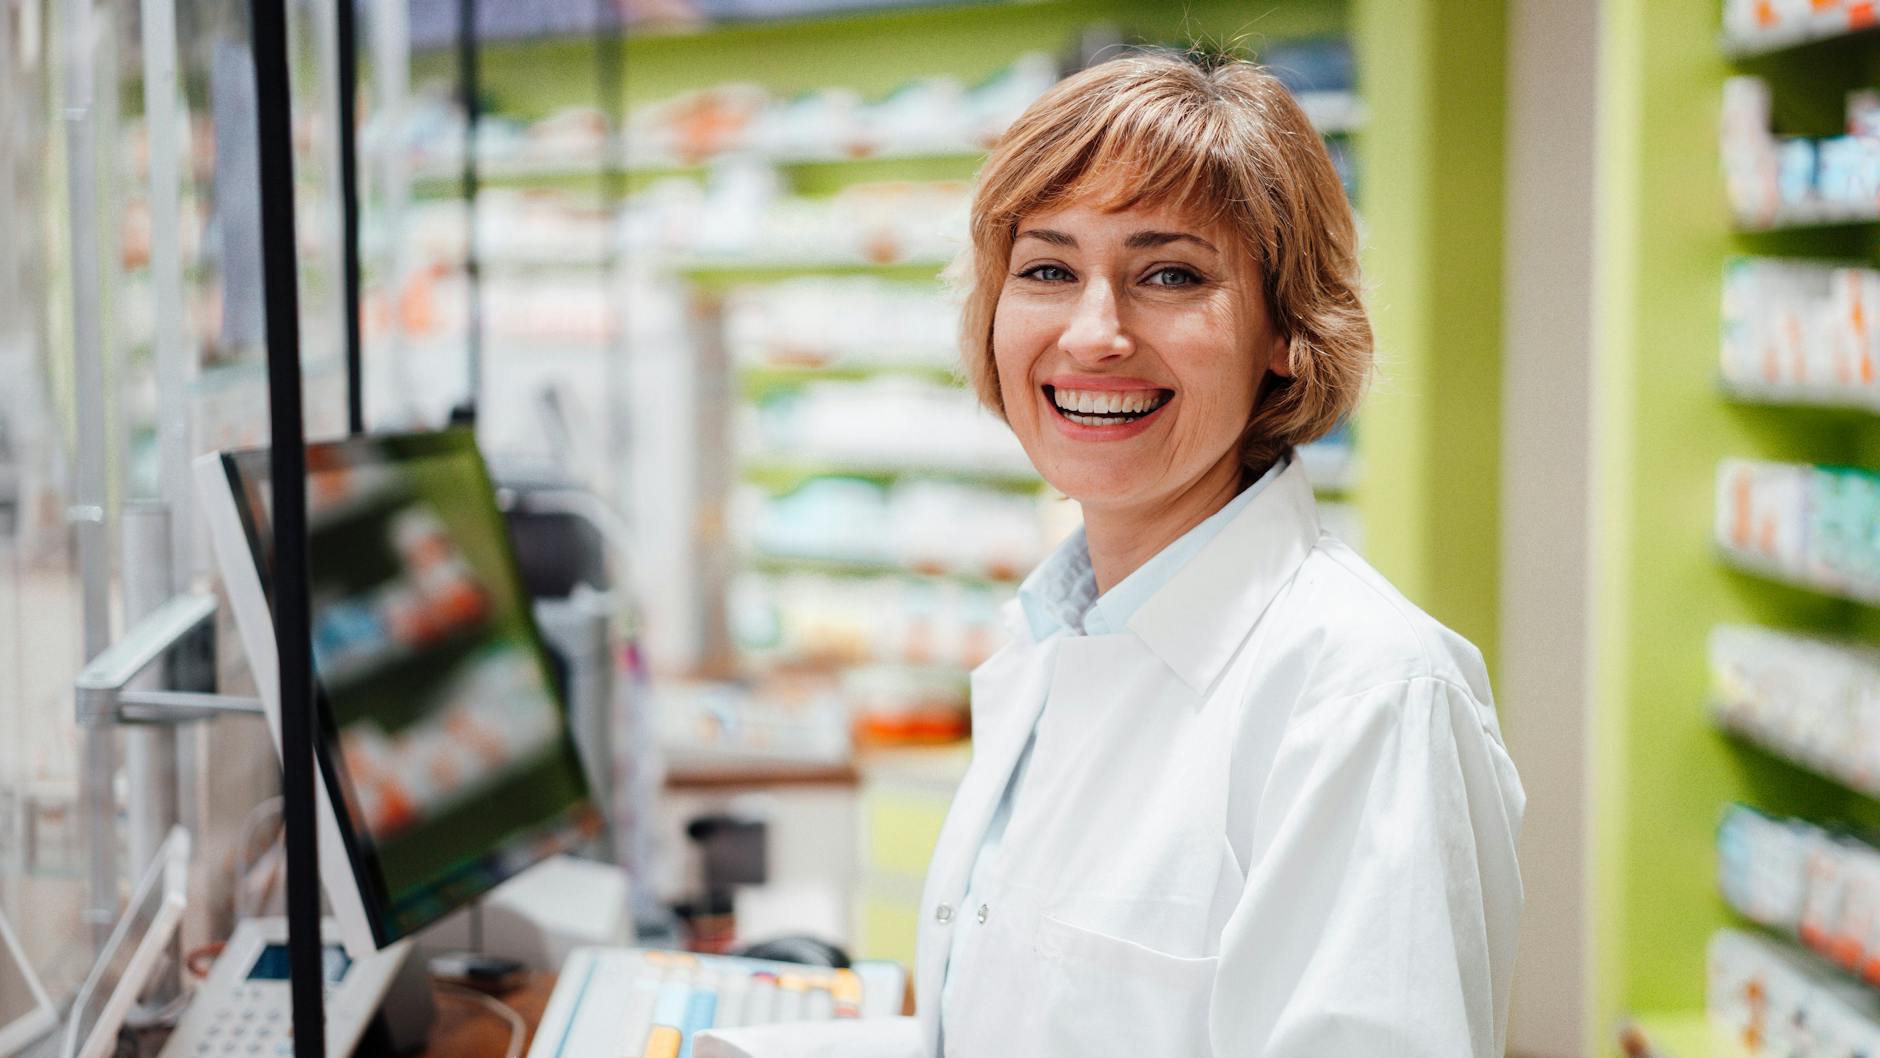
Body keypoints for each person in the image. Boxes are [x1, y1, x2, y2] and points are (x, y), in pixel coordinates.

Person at [699, 47, 1523, 1058]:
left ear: (1285, 326)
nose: (1094, 334)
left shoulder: (1364, 696)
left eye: (1169, 273)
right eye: (1046, 269)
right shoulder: (1056, 636)